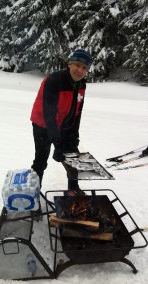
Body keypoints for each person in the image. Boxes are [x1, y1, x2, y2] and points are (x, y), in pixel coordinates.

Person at [30, 49, 92, 194]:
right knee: (41, 160)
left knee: (73, 157)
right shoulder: (55, 80)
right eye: (77, 65)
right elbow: (49, 116)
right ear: (70, 64)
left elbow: (77, 113)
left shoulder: (81, 84)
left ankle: (73, 189)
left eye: (84, 68)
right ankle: (34, 193)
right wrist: (58, 145)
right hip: (43, 124)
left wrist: (74, 136)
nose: (80, 70)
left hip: (64, 123)